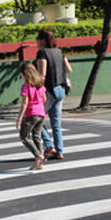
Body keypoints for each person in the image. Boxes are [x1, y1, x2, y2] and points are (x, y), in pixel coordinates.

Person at [35, 29, 72, 160]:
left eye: (37, 39)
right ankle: (59, 151)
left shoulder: (42, 53)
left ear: (43, 40)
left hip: (49, 90)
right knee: (56, 122)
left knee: (36, 119)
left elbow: (42, 74)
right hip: (61, 88)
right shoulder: (59, 52)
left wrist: (38, 91)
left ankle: (49, 146)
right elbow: (69, 69)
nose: (36, 42)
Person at [16, 62, 47, 170]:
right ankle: (39, 162)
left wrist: (19, 119)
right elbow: (44, 99)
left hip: (31, 114)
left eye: (21, 74)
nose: (21, 76)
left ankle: (38, 155)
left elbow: (25, 103)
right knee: (37, 136)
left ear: (25, 74)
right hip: (41, 113)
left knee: (24, 137)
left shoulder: (25, 86)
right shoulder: (40, 83)